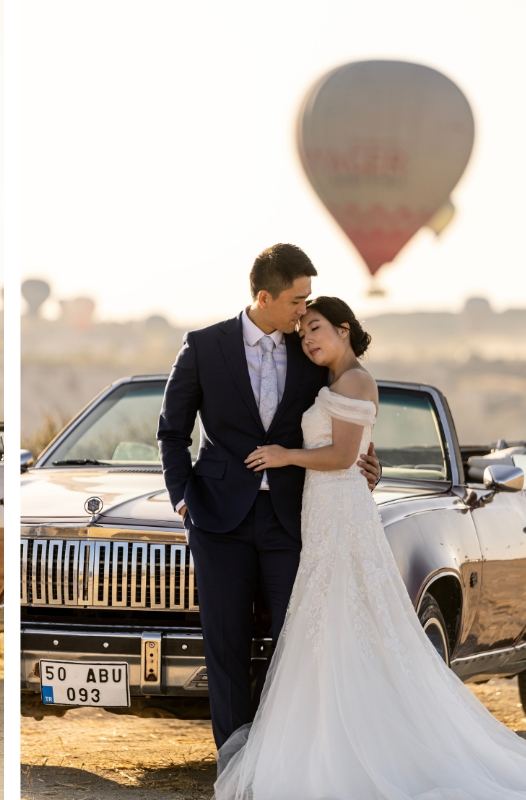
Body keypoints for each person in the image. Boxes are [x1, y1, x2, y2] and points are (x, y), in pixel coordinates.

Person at [214, 295, 526, 798]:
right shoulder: (332, 382)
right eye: (303, 334)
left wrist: (281, 455)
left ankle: (353, 748)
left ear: (343, 329)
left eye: (316, 328)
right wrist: (360, 460)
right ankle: (327, 738)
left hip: (342, 511)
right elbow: (353, 450)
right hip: (326, 512)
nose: (309, 339)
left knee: (346, 619)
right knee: (328, 625)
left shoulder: (357, 379)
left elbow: (339, 455)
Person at [156, 243, 382, 752]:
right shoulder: (203, 345)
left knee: (297, 643)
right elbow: (172, 430)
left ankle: (285, 759)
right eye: (297, 301)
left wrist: (369, 458)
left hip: (293, 517)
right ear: (265, 296)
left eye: (307, 305)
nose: (305, 312)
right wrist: (182, 499)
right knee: (226, 646)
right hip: (217, 519)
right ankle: (235, 767)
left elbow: (350, 409)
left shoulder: (312, 354)